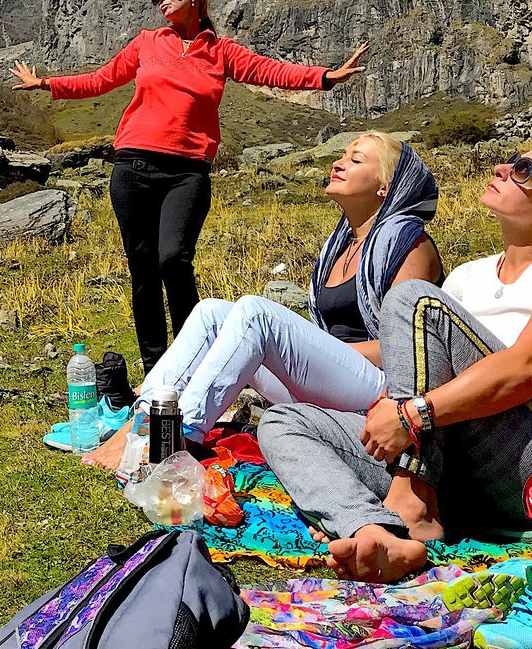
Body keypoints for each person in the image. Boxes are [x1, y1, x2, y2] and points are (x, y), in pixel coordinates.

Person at [256, 137, 532, 582]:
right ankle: (373, 530)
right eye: (510, 161)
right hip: (459, 456)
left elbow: (527, 369)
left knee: (412, 299)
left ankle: (410, 498)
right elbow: (417, 362)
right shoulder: (470, 276)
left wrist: (410, 415)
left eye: (524, 170)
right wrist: (393, 407)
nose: (503, 169)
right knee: (285, 423)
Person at [11, 0, 367, 372]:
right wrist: (46, 84)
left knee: (174, 260)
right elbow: (100, 80)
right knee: (142, 269)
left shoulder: (221, 52)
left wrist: (325, 77)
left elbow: (270, 71)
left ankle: (192, 359)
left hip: (186, 173)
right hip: (132, 167)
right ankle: (156, 369)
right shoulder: (146, 43)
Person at [137, 133, 442, 442]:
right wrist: (313, 352)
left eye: (355, 160)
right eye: (342, 156)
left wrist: (323, 351)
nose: (338, 163)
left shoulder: (409, 245)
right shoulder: (341, 246)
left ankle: (178, 435)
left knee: (255, 314)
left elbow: (406, 349)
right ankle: (143, 419)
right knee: (210, 313)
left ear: (385, 187)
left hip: (381, 390)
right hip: (332, 379)